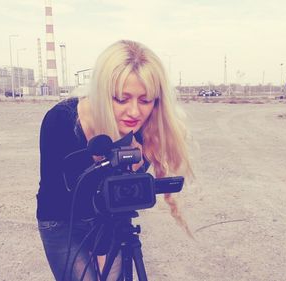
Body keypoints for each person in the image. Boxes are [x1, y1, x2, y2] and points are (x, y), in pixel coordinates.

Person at [37, 39, 194, 281]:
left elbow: (121, 196)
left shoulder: (146, 128)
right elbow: (64, 192)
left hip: (110, 220)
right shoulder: (60, 121)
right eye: (121, 99)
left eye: (145, 100)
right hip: (62, 220)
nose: (134, 112)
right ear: (101, 93)